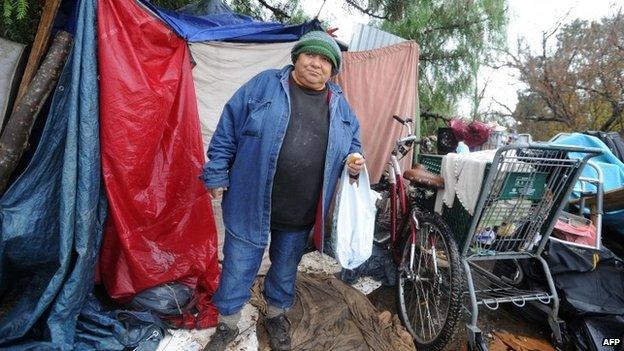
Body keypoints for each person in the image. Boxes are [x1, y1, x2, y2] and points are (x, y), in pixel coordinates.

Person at [201, 30, 365, 351]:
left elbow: (353, 147)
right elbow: (228, 128)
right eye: (310, 55)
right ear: (296, 58)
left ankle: (276, 315)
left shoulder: (342, 109)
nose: (316, 64)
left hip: (301, 210)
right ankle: (227, 325)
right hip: (251, 201)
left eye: (325, 60)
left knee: (286, 268)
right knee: (238, 265)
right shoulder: (264, 85)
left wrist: (355, 162)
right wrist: (217, 172)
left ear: (333, 71)